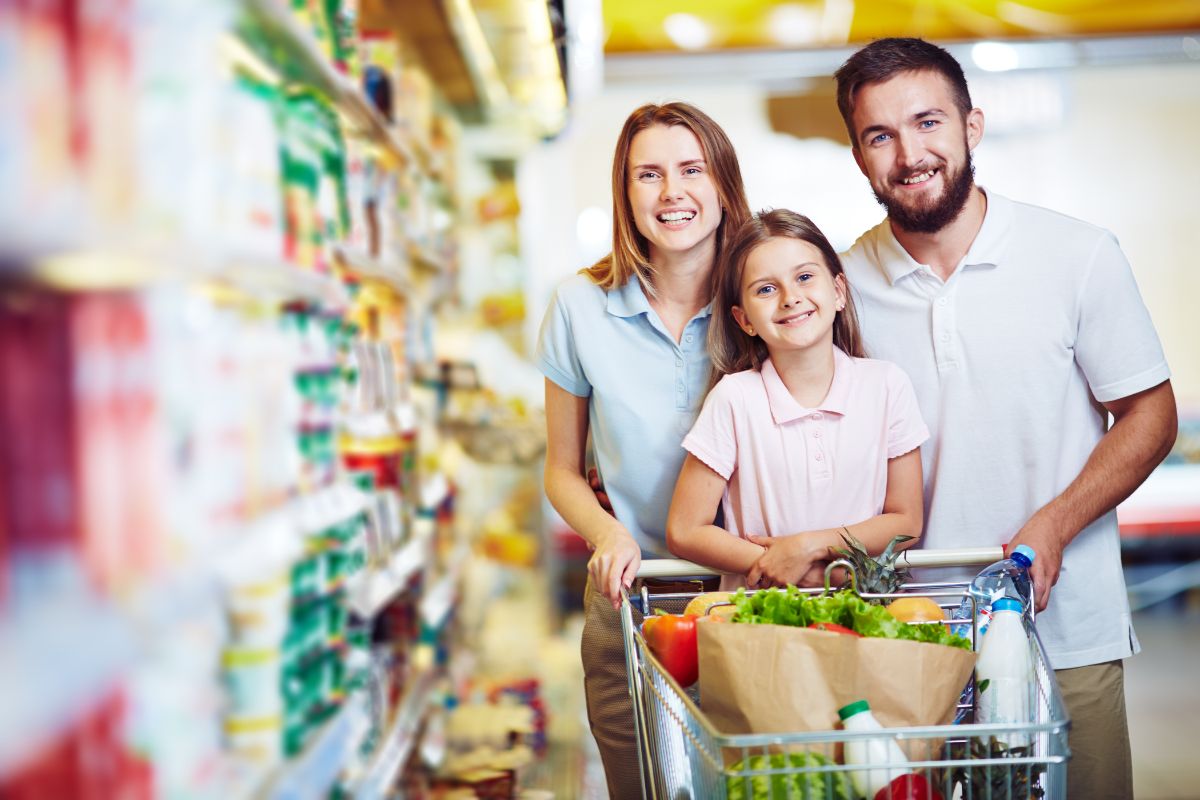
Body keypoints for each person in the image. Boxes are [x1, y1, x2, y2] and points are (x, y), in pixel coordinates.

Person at [833, 37, 1177, 800]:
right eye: (879, 135)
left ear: (972, 127)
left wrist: (1053, 523)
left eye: (928, 123)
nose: (909, 153)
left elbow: (1151, 415)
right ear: (857, 154)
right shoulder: (837, 287)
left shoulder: (1077, 255)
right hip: (905, 641)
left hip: (1065, 630)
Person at [536, 101, 751, 799]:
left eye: (691, 170)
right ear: (624, 194)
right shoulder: (579, 305)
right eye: (648, 175)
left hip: (754, 599)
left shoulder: (768, 295)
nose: (671, 193)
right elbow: (562, 469)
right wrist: (607, 534)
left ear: (723, 182)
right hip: (633, 601)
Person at [666, 209, 928, 591]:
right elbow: (685, 529)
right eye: (766, 289)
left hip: (863, 622)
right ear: (745, 320)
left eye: (805, 277)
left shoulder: (887, 385)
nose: (791, 298)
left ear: (838, 292)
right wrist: (784, 568)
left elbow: (906, 521)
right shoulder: (735, 398)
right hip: (759, 626)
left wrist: (808, 547)